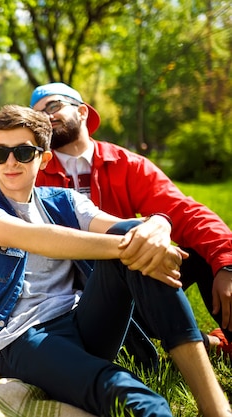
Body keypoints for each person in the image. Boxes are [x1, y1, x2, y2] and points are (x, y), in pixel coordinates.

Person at [0, 104, 230, 416]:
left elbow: (122, 227)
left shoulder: (63, 200)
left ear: (44, 157)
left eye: (22, 152)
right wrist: (132, 243)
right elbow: (38, 239)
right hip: (20, 336)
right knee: (134, 399)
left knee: (134, 235)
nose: (10, 162)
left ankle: (213, 405)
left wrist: (158, 225)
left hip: (82, 320)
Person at [30, 82, 232, 356]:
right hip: (78, 300)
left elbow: (184, 212)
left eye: (53, 106)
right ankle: (194, 344)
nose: (47, 116)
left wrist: (226, 264)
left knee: (203, 250)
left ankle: (221, 342)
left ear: (82, 112)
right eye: (38, 114)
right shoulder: (33, 174)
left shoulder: (126, 164)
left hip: (138, 279)